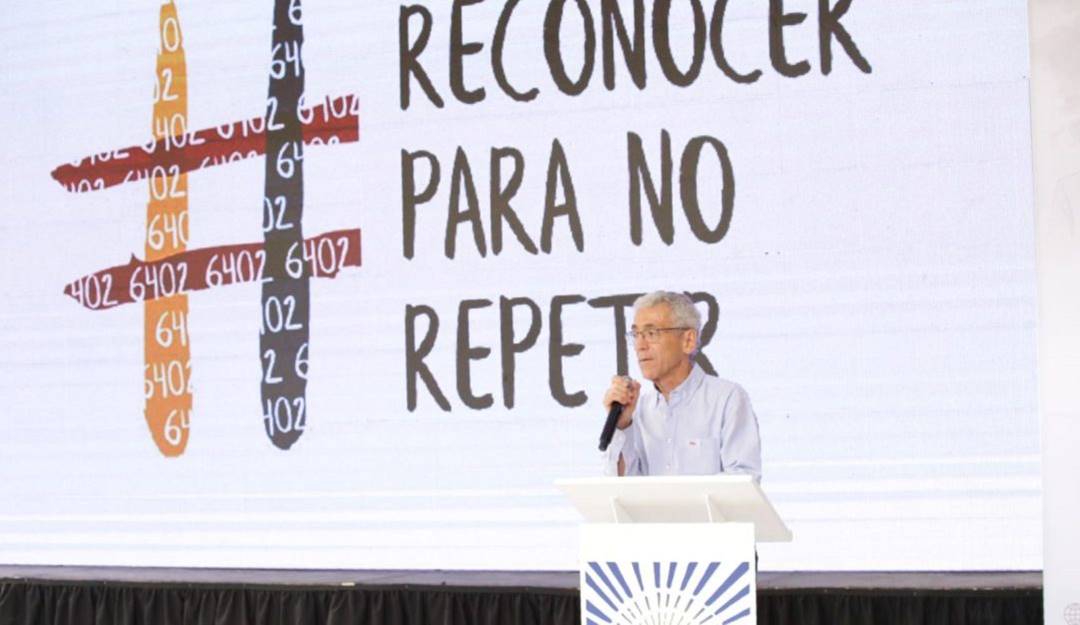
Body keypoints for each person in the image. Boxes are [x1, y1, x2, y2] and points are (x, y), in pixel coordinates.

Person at [602, 291, 762, 479]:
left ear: (688, 340)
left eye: (651, 333)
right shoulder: (638, 409)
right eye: (636, 334)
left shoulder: (727, 398)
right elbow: (622, 492)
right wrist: (622, 427)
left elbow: (742, 482)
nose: (640, 345)